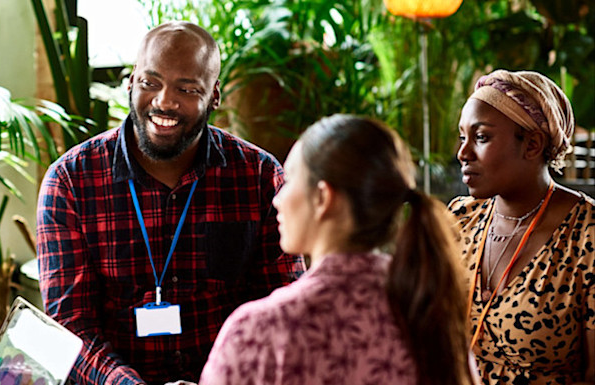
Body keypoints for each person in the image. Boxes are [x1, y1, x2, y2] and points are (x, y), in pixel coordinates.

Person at [35, 21, 305, 384]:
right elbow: (69, 327)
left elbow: (284, 310)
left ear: (214, 96)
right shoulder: (70, 181)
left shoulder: (259, 177)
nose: (164, 101)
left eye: (187, 88)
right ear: (130, 83)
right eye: (150, 83)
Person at [199, 114, 474, 385]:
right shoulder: (429, 316)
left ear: (323, 197)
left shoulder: (259, 333)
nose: (278, 199)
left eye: (289, 181)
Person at [449, 69, 595, 384]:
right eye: (463, 137)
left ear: (531, 144)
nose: (463, 153)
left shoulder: (587, 234)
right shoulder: (460, 219)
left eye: (481, 137)